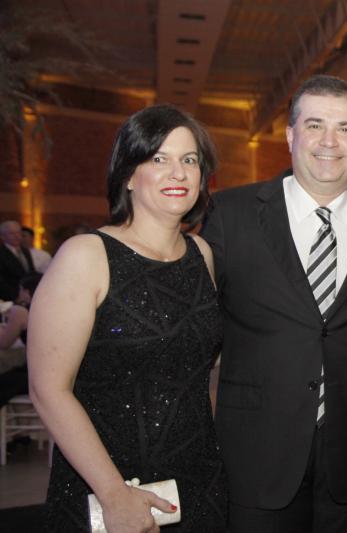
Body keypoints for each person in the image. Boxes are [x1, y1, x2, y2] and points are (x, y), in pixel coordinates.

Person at [201, 74, 347, 533]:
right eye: (315, 125)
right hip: (256, 456)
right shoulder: (229, 214)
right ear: (290, 135)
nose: (330, 141)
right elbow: (195, 335)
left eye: (345, 128)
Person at [28, 104, 228, 532]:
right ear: (129, 175)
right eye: (159, 159)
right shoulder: (86, 256)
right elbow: (48, 389)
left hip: (198, 480)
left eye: (189, 160)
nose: (178, 173)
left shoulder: (202, 255)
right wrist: (114, 492)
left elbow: (199, 372)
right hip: (106, 487)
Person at [0, 273, 41, 409]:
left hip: (34, 371)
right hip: (43, 368)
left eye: (20, 289)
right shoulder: (44, 308)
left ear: (26, 291)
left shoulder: (20, 311)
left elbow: (4, 343)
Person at [0, 220, 34, 302]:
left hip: (27, 296)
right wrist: (15, 297)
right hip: (8, 299)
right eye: (12, 233)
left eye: (18, 233)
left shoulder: (25, 251)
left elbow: (30, 273)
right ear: (2, 236)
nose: (17, 236)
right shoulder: (1, 253)